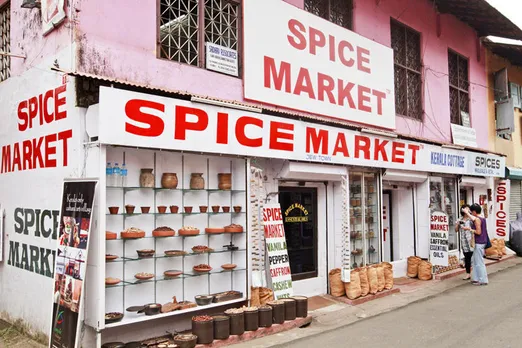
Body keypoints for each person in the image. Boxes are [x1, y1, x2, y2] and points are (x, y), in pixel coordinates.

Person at [464, 203, 489, 285]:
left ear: (474, 212)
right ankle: (476, 278)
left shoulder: (477, 220)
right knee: (475, 261)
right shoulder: (482, 218)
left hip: (479, 242)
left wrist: (469, 229)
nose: (471, 213)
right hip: (482, 242)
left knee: (479, 262)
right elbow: (473, 218)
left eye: (471, 212)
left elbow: (478, 232)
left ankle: (483, 280)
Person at [455, 204, 473, 280]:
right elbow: (456, 230)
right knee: (467, 257)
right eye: (465, 208)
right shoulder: (460, 219)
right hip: (464, 241)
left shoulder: (471, 219)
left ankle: (475, 273)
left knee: (473, 257)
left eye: (468, 208)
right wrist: (457, 224)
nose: (467, 210)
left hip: (471, 241)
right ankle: (468, 273)